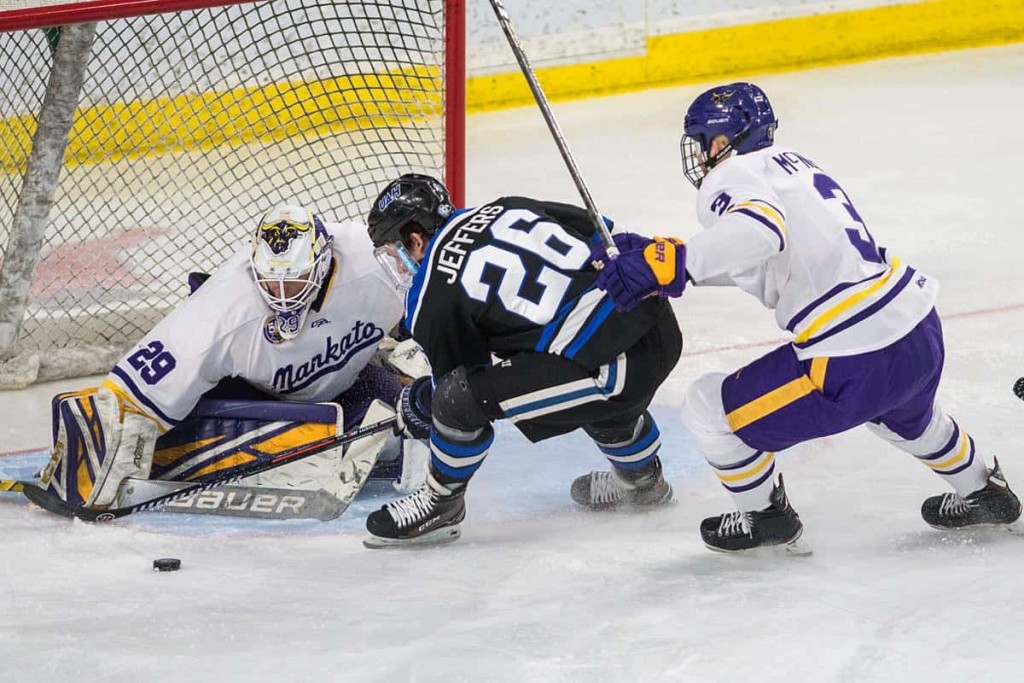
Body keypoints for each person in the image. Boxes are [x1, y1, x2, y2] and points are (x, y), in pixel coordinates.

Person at [593, 82, 1021, 552]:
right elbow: (774, 257)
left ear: (720, 142)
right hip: (916, 327)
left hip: (853, 357)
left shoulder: (729, 175)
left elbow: (760, 232)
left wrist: (675, 264)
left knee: (708, 408)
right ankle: (984, 491)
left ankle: (765, 516)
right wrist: (671, 261)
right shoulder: (794, 165)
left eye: (702, 142)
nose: (701, 155)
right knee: (905, 416)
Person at [361, 173, 683, 548]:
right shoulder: (507, 205)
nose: (398, 267)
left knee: (457, 399)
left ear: (414, 239)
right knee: (562, 363)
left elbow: (458, 389)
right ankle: (643, 485)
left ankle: (439, 505)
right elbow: (602, 235)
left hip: (613, 367)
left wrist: (424, 403)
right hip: (658, 322)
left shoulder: (430, 292)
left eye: (392, 251)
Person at [41, 203, 423, 512]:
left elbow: (438, 277)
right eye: (272, 282)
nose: (283, 295)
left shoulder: (374, 256)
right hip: (256, 392)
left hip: (345, 379)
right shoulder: (223, 310)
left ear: (323, 263)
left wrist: (419, 342)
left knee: (410, 422)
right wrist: (104, 439)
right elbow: (133, 393)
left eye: (293, 282)